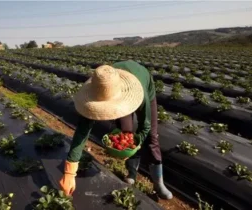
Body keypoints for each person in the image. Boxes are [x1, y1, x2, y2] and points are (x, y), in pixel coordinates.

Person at [59, 60, 173, 200]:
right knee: (126, 132)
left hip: (141, 85)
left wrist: (135, 145)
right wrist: (69, 173)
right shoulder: (98, 87)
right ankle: (131, 172)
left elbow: (145, 126)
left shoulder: (140, 93)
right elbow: (82, 132)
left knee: (151, 136)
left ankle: (158, 183)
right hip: (114, 90)